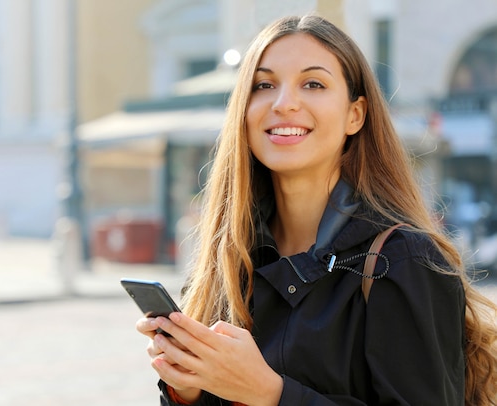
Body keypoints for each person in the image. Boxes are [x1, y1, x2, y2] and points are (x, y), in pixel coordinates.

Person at [136, 15, 497, 405]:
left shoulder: (403, 261)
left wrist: (270, 394)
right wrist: (186, 389)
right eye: (264, 85)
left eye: (313, 84)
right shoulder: (225, 262)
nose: (284, 103)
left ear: (354, 115)